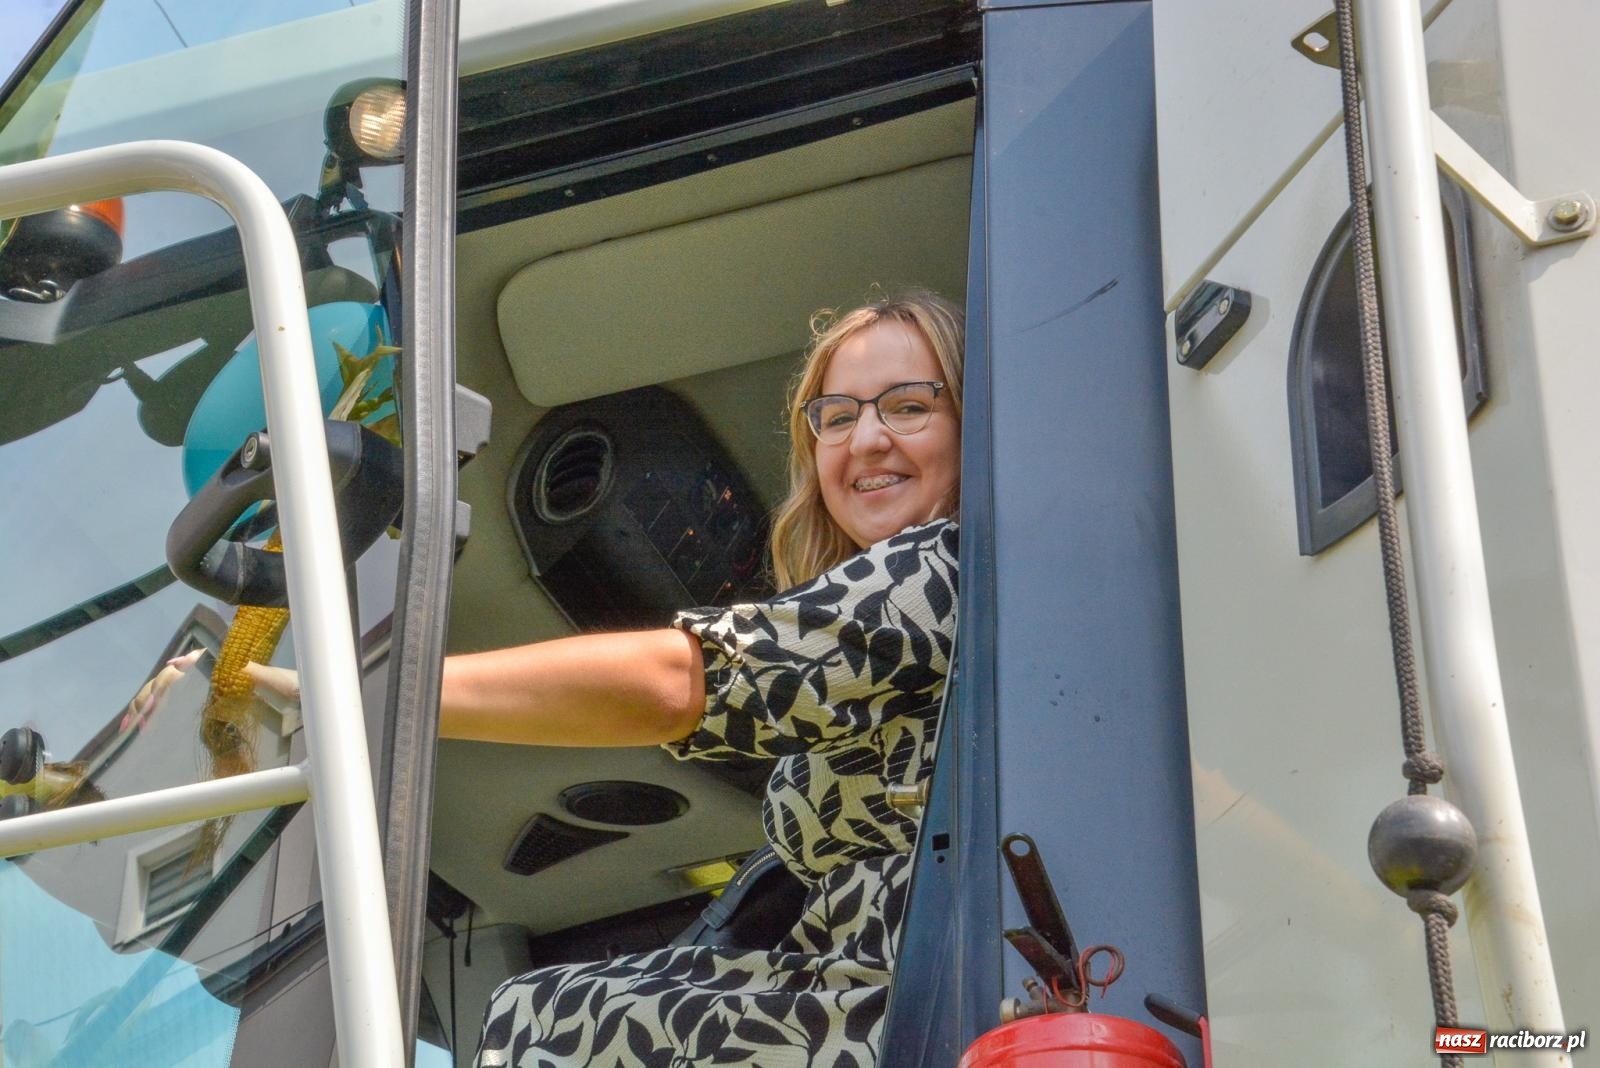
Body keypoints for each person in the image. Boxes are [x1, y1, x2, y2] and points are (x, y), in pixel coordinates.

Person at [458, 290, 964, 1067]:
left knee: (545, 1021)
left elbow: (681, 683)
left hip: (920, 1010)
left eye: (906, 407)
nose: (865, 440)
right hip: (877, 997)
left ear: (973, 420)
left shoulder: (946, 566)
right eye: (836, 417)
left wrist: (400, 699)